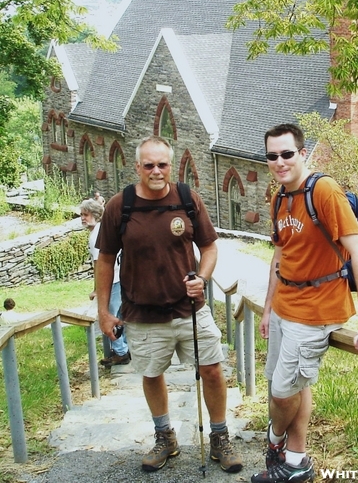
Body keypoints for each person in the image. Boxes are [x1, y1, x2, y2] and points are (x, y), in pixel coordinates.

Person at [95, 135, 243, 474]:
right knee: (151, 374)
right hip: (142, 313)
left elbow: (210, 248)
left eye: (162, 164)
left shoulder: (188, 199)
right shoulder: (121, 205)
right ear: (137, 167)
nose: (156, 171)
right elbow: (104, 260)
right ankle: (165, 437)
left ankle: (220, 437)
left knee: (212, 370)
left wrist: (202, 279)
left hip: (189, 310)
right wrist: (103, 312)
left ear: (171, 165)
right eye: (149, 165)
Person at [251, 123, 358, 483]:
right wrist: (269, 307)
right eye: (272, 156)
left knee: (282, 390)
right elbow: (281, 255)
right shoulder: (280, 196)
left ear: (302, 153)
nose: (280, 162)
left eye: (287, 154)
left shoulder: (323, 190)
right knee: (294, 384)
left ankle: (274, 441)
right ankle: (296, 462)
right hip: (286, 305)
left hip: (317, 308)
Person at [80, 198, 130, 366]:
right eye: (81, 215)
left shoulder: (95, 236)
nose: (83, 218)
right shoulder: (104, 230)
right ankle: (126, 347)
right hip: (119, 278)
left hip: (112, 281)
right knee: (120, 314)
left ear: (95, 215)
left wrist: (97, 289)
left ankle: (121, 352)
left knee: (110, 315)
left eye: (86, 215)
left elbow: (99, 265)